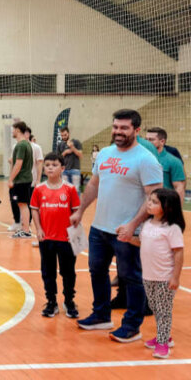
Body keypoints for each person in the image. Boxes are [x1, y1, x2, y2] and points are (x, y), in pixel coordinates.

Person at [70, 109, 162, 343]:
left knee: (131, 277)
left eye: (124, 128)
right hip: (100, 228)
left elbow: (154, 198)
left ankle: (132, 326)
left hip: (128, 231)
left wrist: (133, 225)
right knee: (97, 271)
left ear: (136, 130)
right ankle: (101, 315)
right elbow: (94, 184)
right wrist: (80, 210)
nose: (118, 132)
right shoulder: (105, 154)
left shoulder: (145, 159)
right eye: (115, 127)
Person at [135, 188, 185, 359]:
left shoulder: (172, 228)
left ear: (168, 207)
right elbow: (142, 243)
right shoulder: (147, 224)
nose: (149, 203)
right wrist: (127, 238)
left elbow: (178, 252)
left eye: (155, 202)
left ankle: (163, 343)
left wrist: (175, 277)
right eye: (149, 200)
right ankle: (165, 336)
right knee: (156, 308)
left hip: (165, 278)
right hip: (148, 276)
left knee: (164, 310)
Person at [30, 153, 80, 318]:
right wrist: (38, 229)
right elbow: (35, 209)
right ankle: (51, 301)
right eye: (47, 165)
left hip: (66, 239)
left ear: (62, 168)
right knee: (48, 271)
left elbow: (76, 211)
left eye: (54, 165)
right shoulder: (39, 189)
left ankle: (69, 300)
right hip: (47, 238)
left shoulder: (70, 189)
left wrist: (74, 232)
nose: (50, 167)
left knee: (68, 271)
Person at [8, 122, 34, 239]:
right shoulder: (27, 144)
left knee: (23, 204)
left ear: (18, 130)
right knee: (23, 204)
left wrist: (10, 179)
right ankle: (25, 229)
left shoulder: (21, 145)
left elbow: (18, 164)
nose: (12, 132)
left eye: (13, 130)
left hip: (21, 180)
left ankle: (26, 231)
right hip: (26, 179)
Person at [145, 127, 186, 199]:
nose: (147, 142)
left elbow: (179, 188)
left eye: (151, 140)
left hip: (164, 203)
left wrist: (177, 209)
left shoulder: (173, 161)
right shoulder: (141, 158)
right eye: (146, 139)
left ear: (162, 141)